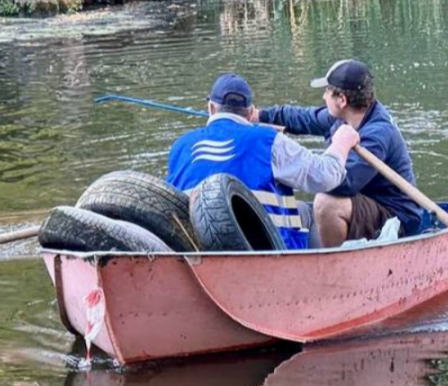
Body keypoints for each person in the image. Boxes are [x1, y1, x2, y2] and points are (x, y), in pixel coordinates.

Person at [167, 73, 359, 249]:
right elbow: (325, 176)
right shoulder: (268, 140)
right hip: (268, 255)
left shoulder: (180, 146)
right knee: (311, 211)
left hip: (199, 255)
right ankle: (324, 273)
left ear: (210, 108)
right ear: (251, 112)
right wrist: (342, 143)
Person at [255, 59, 421, 246]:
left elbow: (342, 183)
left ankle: (334, 265)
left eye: (327, 91)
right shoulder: (346, 115)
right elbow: (303, 118)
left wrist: (296, 173)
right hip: (364, 203)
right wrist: (258, 116)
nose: (324, 97)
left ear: (342, 100)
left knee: (326, 204)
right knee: (293, 209)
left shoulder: (378, 134)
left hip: (396, 218)